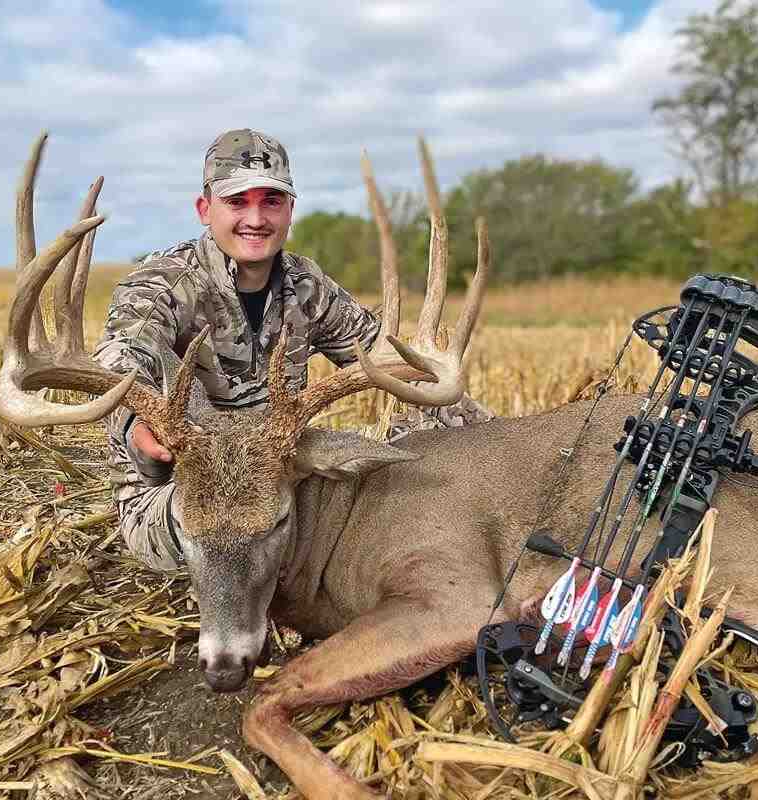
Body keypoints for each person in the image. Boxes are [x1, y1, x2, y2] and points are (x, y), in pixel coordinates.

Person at [93, 129, 493, 571]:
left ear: (289, 211)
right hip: (182, 489)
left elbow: (394, 361)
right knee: (244, 526)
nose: (256, 218)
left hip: (277, 477)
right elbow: (120, 358)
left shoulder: (306, 287)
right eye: (237, 201)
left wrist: (494, 441)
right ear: (205, 209)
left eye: (271, 201)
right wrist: (136, 423)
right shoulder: (165, 282)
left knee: (408, 474)